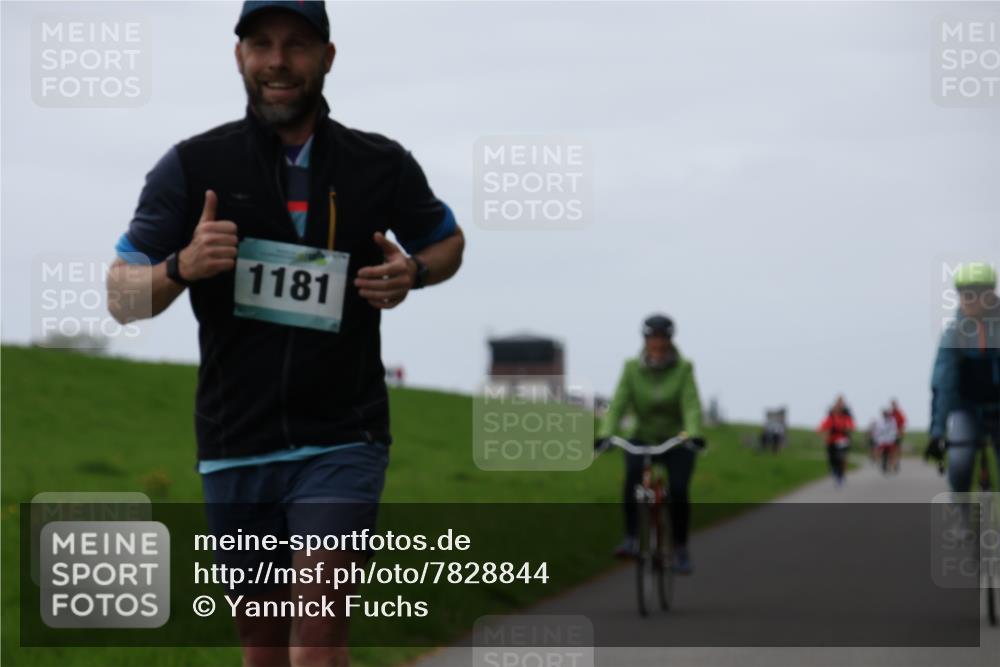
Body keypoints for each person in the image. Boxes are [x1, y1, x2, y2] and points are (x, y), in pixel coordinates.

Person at [105, 2, 465, 665]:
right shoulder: (192, 166)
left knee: (318, 639)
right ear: (238, 56)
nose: (278, 61)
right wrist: (181, 265)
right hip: (235, 442)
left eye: (297, 45)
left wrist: (413, 272)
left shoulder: (378, 163)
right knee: (262, 642)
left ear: (327, 57)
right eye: (262, 44)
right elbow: (121, 295)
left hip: (342, 437)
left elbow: (447, 243)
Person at [596, 314, 705, 574]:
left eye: (662, 339)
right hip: (641, 435)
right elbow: (619, 403)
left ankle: (680, 549)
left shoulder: (683, 368)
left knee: (678, 490)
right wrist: (606, 433)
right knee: (632, 478)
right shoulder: (631, 367)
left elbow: (691, 403)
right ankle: (631, 538)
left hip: (676, 438)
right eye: (652, 338)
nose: (657, 344)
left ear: (669, 341)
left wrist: (694, 433)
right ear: (645, 340)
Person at [924, 262, 999, 492]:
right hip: (966, 409)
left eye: (974, 294)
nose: (967, 299)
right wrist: (937, 432)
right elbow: (943, 383)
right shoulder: (954, 333)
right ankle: (962, 520)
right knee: (959, 463)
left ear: (990, 296)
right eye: (963, 293)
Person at [817, 396, 854, 486]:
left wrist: (846, 429)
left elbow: (851, 427)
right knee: (832, 459)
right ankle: (835, 471)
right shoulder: (830, 418)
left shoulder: (846, 416)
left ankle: (841, 475)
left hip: (842, 440)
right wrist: (824, 434)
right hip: (831, 441)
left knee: (842, 457)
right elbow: (821, 428)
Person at [872, 408, 900, 474]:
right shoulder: (880, 421)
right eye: (884, 414)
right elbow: (877, 431)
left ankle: (893, 465)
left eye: (886, 414)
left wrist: (895, 436)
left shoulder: (892, 420)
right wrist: (876, 437)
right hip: (882, 440)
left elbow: (894, 430)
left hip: (890, 440)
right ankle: (881, 463)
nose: (886, 415)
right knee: (880, 451)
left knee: (892, 453)